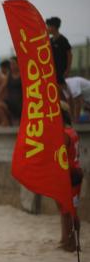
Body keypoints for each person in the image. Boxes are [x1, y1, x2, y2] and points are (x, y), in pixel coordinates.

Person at [58, 104, 83, 252]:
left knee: (70, 211)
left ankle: (74, 243)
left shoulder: (65, 134)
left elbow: (59, 156)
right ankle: (68, 239)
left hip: (70, 175)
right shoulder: (71, 131)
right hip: (74, 172)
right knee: (67, 209)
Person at [46, 17, 73, 108]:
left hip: (61, 71)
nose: (47, 28)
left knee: (65, 93)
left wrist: (67, 70)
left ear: (54, 27)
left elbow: (69, 55)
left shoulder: (62, 40)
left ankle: (71, 114)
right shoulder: (50, 40)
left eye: (48, 26)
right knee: (57, 94)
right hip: (53, 71)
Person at [0, 56, 22, 126]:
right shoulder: (9, 75)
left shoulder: (23, 74)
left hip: (21, 103)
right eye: (11, 64)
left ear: (18, 64)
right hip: (10, 102)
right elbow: (3, 87)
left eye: (13, 64)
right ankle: (5, 122)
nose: (12, 66)